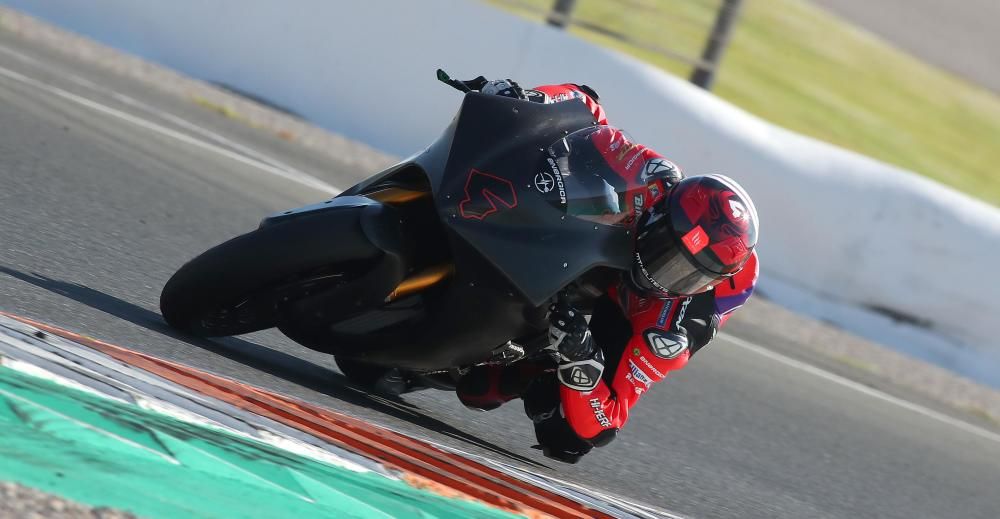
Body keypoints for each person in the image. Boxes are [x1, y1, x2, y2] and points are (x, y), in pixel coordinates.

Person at [362, 78, 760, 464]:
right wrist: (529, 98)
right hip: (615, 244)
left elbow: (605, 422)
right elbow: (587, 107)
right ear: (659, 214)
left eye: (683, 275)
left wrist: (579, 358)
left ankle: (495, 368)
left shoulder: (670, 330)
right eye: (664, 254)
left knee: (566, 437)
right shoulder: (655, 176)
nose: (663, 275)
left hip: (627, 311)